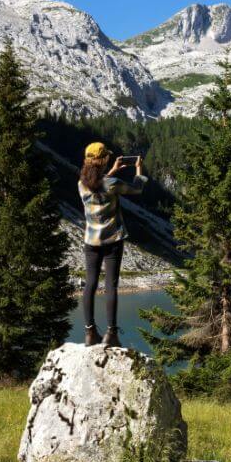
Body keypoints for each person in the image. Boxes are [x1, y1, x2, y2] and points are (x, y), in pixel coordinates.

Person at [78, 142, 147, 347]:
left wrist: (113, 170)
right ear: (103, 159)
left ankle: (90, 333)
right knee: (111, 286)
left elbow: (98, 181)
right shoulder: (113, 183)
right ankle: (112, 334)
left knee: (90, 284)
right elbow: (137, 189)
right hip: (112, 241)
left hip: (91, 241)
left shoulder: (81, 183)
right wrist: (138, 168)